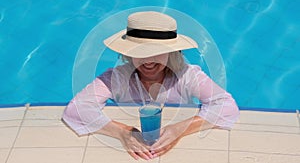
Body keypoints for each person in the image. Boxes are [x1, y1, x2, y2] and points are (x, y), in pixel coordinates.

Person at [62, 11, 239, 160]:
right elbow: (77, 109)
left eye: (157, 52)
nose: (148, 61)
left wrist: (180, 129)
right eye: (140, 52)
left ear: (172, 52)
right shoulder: (117, 78)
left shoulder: (187, 75)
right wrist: (124, 132)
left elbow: (226, 106)